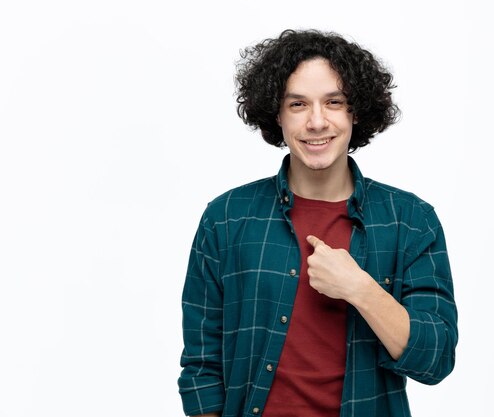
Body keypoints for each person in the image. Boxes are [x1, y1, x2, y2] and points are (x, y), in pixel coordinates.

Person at [178, 29, 458, 417]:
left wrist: (361, 289)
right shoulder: (226, 218)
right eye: (298, 104)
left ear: (355, 112)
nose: (316, 121)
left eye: (333, 102)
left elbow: (436, 358)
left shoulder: (409, 220)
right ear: (277, 114)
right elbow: (201, 369)